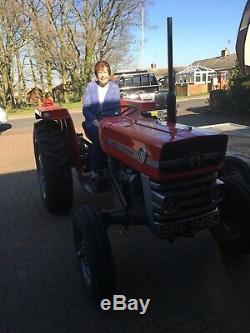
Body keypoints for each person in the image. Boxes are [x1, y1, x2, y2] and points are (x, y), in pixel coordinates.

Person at [82, 60, 120, 193]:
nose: (102, 75)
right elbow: (86, 109)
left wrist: (109, 122)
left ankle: (117, 169)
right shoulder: (91, 87)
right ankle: (96, 172)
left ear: (109, 73)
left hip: (109, 122)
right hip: (93, 122)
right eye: (99, 72)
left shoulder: (115, 88)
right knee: (99, 137)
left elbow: (116, 109)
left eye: (104, 72)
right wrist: (94, 121)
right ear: (96, 74)